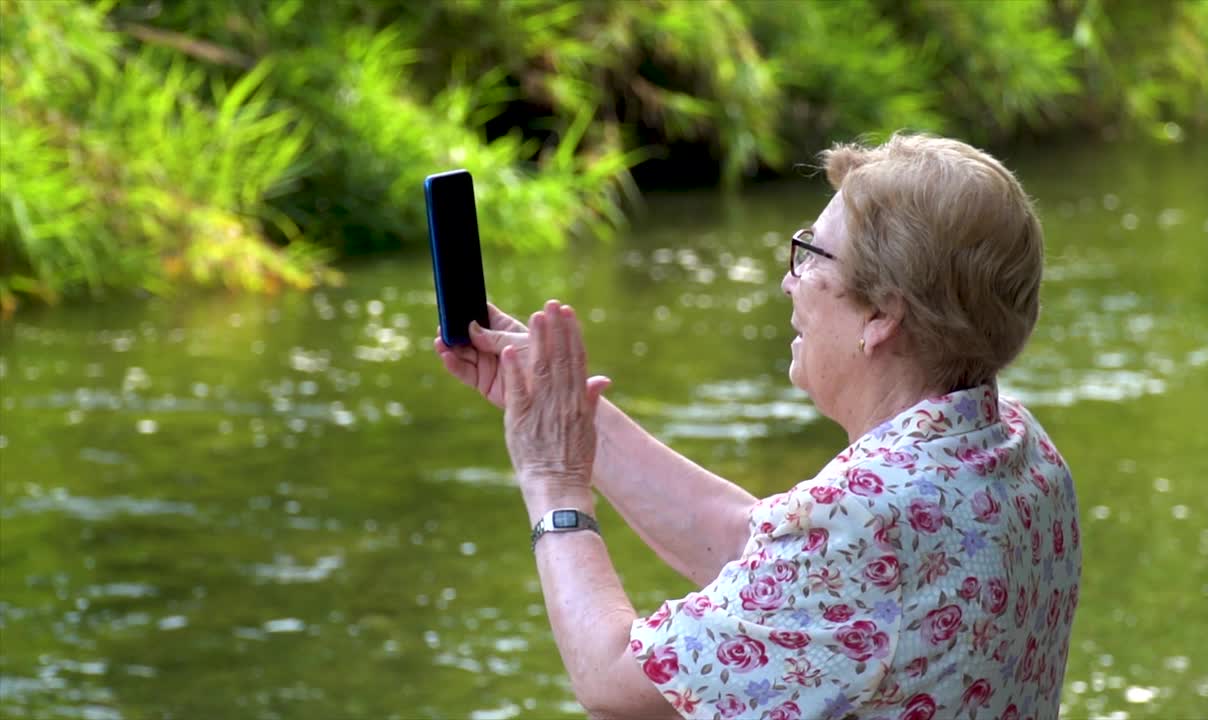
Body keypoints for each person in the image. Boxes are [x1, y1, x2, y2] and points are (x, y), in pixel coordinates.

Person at [434, 133, 1082, 720]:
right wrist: (570, 412)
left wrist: (553, 478)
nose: (788, 282)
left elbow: (611, 681)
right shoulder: (1018, 449)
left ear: (883, 314)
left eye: (811, 255)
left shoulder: (866, 516)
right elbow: (758, 546)